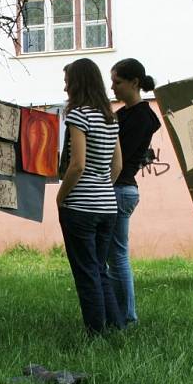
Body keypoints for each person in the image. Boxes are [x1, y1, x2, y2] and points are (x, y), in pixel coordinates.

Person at [57, 58, 124, 335]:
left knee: (86, 273)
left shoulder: (78, 116)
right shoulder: (110, 117)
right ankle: (116, 326)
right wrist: (102, 188)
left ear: (77, 83)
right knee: (101, 269)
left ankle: (95, 333)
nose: (65, 87)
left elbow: (77, 164)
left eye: (67, 81)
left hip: (80, 206)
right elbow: (117, 165)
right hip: (108, 205)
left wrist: (62, 197)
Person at [108, 58, 161, 326]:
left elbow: (118, 157)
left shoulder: (141, 116)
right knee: (112, 255)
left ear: (134, 83)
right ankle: (118, 313)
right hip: (121, 189)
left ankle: (127, 317)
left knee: (117, 255)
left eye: (117, 82)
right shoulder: (126, 113)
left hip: (120, 189)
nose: (113, 88)